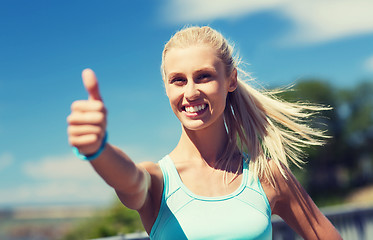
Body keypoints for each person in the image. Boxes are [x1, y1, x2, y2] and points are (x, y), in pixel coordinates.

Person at [67, 26, 342, 239]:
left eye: (203, 76)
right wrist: (98, 150)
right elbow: (128, 179)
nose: (190, 92)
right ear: (166, 88)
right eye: (178, 80)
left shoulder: (267, 175)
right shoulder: (158, 181)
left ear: (230, 80)